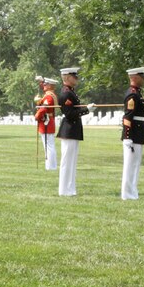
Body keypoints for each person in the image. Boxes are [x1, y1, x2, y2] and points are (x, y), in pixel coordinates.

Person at [56, 67, 92, 197]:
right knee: (67, 161)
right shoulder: (66, 93)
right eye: (74, 76)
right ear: (67, 77)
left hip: (73, 129)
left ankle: (70, 189)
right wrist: (86, 110)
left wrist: (84, 108)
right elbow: (70, 114)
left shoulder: (71, 92)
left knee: (72, 161)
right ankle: (64, 190)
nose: (76, 78)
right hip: (69, 130)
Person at [121, 66, 144, 200]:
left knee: (135, 164)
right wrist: (127, 137)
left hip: (138, 131)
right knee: (130, 165)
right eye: (142, 77)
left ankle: (133, 192)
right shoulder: (132, 94)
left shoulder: (137, 93)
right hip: (133, 133)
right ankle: (127, 194)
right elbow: (128, 117)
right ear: (135, 78)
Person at [34, 76, 58, 171]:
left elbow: (43, 108)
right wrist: (41, 81)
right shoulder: (50, 94)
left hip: (46, 123)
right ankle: (50, 165)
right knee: (48, 146)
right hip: (47, 122)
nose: (44, 85)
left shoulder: (48, 96)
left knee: (49, 146)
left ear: (50, 86)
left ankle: (51, 166)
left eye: (46, 84)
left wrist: (37, 116)